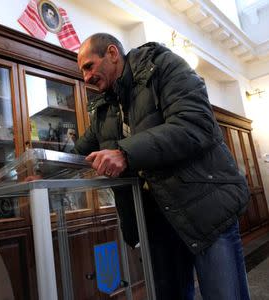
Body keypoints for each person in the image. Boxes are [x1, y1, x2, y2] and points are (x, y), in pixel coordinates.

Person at [74, 33, 251, 299]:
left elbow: (193, 124)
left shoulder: (165, 65)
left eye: (88, 66)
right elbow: (79, 152)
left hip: (206, 209)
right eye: (82, 71)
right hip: (157, 222)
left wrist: (124, 152)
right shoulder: (105, 108)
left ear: (112, 54)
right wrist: (41, 169)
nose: (86, 77)